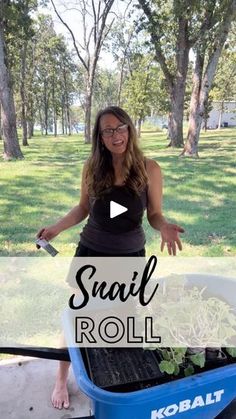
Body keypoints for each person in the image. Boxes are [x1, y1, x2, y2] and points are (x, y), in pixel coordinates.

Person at [37, 106, 184, 410]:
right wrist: (56, 228)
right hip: (91, 252)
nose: (116, 135)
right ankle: (61, 379)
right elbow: (83, 209)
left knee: (121, 318)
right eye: (108, 130)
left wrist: (164, 227)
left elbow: (154, 214)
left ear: (130, 130)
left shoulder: (150, 169)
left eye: (121, 128)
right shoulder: (92, 167)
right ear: (99, 137)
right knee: (77, 315)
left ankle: (113, 383)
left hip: (130, 257)